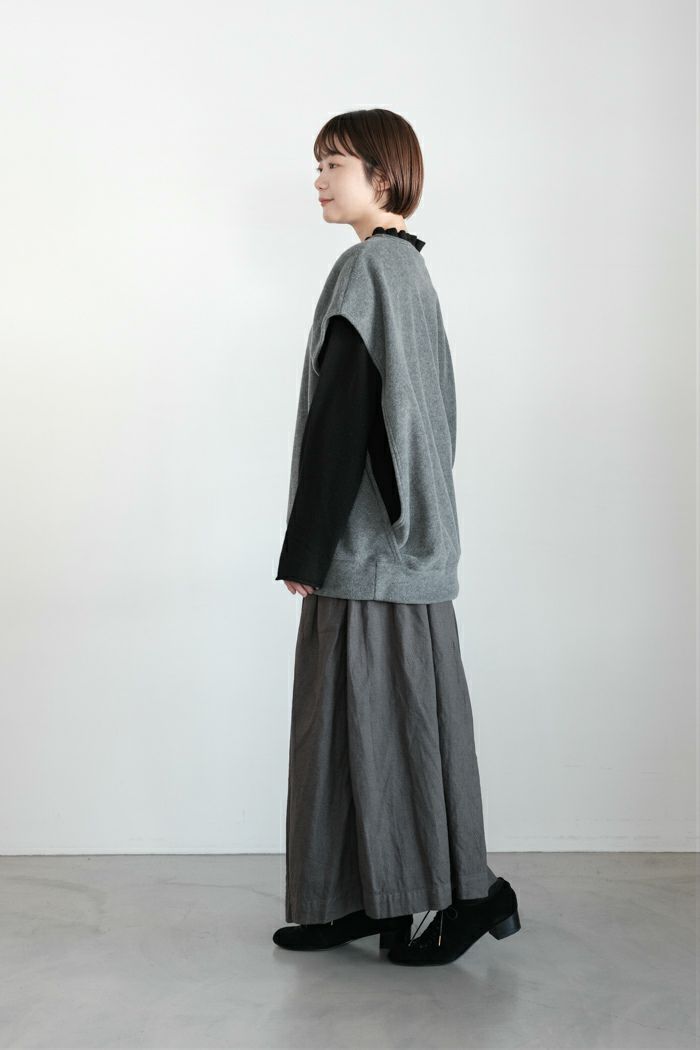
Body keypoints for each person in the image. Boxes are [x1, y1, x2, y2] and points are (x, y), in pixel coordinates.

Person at [272, 109, 521, 966]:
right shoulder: (409, 270)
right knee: (376, 730)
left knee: (369, 733)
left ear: (382, 176)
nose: (318, 179)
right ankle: (357, 901)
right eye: (318, 164)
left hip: (368, 556)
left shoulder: (367, 270)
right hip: (407, 549)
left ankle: (471, 895)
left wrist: (307, 548)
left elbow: (345, 419)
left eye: (333, 164)